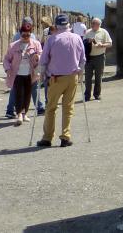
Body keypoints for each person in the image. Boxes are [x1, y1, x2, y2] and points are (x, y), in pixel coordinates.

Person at [37, 14, 86, 147]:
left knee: (51, 107)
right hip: (73, 77)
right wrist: (81, 73)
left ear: (56, 25)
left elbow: (43, 60)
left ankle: (47, 138)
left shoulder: (52, 40)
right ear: (68, 25)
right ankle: (66, 136)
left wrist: (41, 74)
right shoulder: (77, 38)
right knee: (68, 107)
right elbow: (83, 59)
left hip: (56, 78)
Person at [5, 17, 44, 118]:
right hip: (17, 71)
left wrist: (37, 57)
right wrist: (8, 69)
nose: (26, 36)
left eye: (28, 34)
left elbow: (40, 54)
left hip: (31, 71)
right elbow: (8, 57)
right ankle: (13, 110)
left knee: (31, 90)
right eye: (24, 34)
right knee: (17, 91)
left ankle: (26, 111)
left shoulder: (34, 40)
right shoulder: (15, 40)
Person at [82, 17, 112, 102]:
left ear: (98, 25)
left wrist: (102, 45)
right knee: (87, 77)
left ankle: (97, 94)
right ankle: (87, 95)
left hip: (100, 56)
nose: (92, 24)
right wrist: (88, 41)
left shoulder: (104, 32)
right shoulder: (88, 32)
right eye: (92, 23)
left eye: (94, 23)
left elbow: (110, 43)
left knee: (98, 77)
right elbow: (82, 43)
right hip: (89, 57)